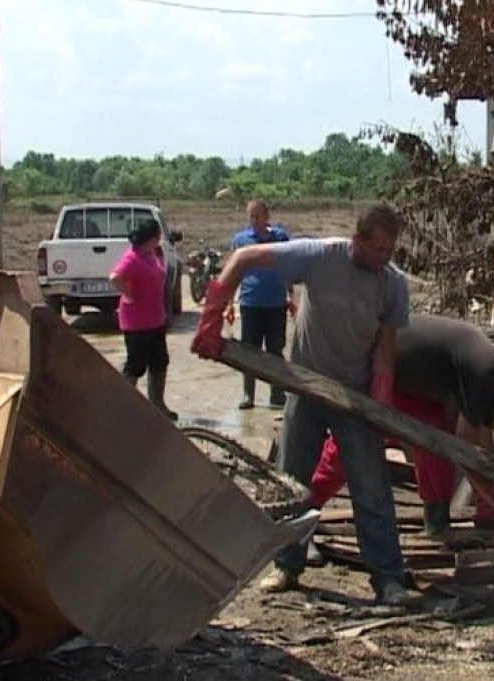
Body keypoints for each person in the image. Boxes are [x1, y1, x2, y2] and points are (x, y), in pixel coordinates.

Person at [191, 203, 410, 605]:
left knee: (372, 487)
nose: (383, 258)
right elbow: (243, 258)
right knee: (291, 480)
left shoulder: (392, 284)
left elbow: (386, 345)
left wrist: (381, 398)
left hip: (353, 396)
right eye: (377, 249)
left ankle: (388, 577)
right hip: (305, 387)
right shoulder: (320, 256)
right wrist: (212, 314)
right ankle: (286, 567)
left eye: (390, 251)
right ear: (357, 239)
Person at [310, 313, 494, 537]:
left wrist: (490, 490)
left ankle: (436, 520)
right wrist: (485, 496)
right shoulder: (486, 370)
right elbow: (464, 443)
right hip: (380, 370)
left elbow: (484, 435)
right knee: (351, 446)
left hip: (411, 383)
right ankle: (306, 508)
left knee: (436, 440)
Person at [109, 218, 178, 421]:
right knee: (136, 364)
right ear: (151, 238)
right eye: (157, 237)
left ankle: (157, 405)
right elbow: (114, 277)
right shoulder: (133, 257)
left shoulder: (151, 255)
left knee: (159, 361)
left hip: (155, 318)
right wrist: (129, 293)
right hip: (137, 321)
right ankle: (122, 406)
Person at [227, 200, 292, 409]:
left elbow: (288, 267)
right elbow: (233, 272)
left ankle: (277, 393)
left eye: (257, 216)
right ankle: (249, 395)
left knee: (275, 349)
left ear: (267, 217)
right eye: (250, 216)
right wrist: (229, 303)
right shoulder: (241, 240)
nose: (254, 220)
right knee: (249, 351)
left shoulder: (280, 237)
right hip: (250, 302)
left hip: (276, 303)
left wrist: (292, 296)